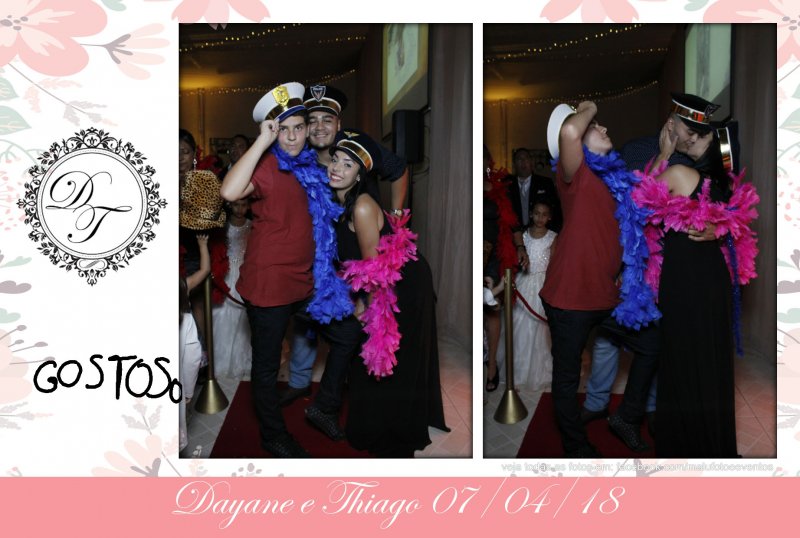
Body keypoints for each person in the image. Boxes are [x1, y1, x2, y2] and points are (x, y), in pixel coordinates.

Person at [220, 82, 362, 457]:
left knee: (348, 334)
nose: (294, 136)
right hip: (269, 286)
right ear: (273, 131)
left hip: (305, 283)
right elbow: (229, 192)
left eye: (299, 127)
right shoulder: (266, 166)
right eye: (284, 129)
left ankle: (324, 406)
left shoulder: (309, 167)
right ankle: (273, 436)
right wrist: (261, 142)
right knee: (267, 368)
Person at [582, 93, 722, 433]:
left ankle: (654, 408)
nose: (691, 138)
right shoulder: (636, 150)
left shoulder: (701, 160)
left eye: (697, 133)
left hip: (675, 268)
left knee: (662, 343)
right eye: (689, 130)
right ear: (671, 124)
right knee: (612, 338)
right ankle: (598, 403)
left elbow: (724, 209)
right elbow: (627, 208)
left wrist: (717, 230)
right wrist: (661, 156)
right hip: (633, 262)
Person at [279, 84, 412, 407]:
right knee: (309, 316)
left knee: (364, 321)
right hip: (321, 255)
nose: (319, 127)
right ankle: (299, 381)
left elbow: (399, 170)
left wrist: (396, 219)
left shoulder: (356, 146)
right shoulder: (300, 155)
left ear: (339, 124)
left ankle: (358, 388)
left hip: (362, 252)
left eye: (327, 119)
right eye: (312, 120)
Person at [540, 101, 660, 457]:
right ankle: (576, 448)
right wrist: (588, 107)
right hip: (569, 297)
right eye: (596, 125)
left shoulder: (615, 181)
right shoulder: (572, 174)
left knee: (653, 344)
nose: (604, 128)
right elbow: (569, 130)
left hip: (606, 295)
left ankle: (627, 415)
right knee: (567, 378)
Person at [633, 121, 758, 457]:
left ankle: (686, 447)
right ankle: (714, 445)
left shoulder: (678, 174)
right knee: (710, 358)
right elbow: (737, 224)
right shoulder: (725, 183)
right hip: (713, 280)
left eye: (674, 126)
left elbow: (634, 206)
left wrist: (663, 153)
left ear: (697, 138)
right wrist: (721, 230)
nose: (671, 130)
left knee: (682, 359)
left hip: (685, 281)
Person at [328, 129, 448, 457]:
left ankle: (390, 427)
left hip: (400, 286)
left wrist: (366, 313)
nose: (337, 167)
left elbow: (373, 271)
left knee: (386, 356)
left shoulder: (362, 207)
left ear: (360, 176)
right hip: (384, 280)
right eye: (335, 159)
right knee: (368, 359)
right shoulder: (339, 200)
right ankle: (374, 420)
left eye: (348, 164)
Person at [496, 197, 557, 391]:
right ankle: (516, 372)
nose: (540, 218)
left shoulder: (553, 237)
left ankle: (539, 371)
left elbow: (555, 263)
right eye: (537, 213)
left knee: (540, 329)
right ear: (531, 214)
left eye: (544, 215)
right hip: (522, 283)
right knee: (517, 325)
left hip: (543, 284)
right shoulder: (522, 236)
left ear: (549, 217)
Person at [483, 145, 529, 393]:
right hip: (471, 252)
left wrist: (520, 247)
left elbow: (513, 224)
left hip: (494, 256)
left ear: (488, 161)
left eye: (483, 159)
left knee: (492, 309)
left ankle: (491, 366)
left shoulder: (500, 188)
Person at [211, 198, 252, 379]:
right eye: (236, 205)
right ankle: (220, 362)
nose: (240, 209)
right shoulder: (224, 225)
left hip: (244, 272)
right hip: (227, 272)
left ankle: (240, 362)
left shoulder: (251, 225)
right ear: (230, 205)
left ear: (248, 206)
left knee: (242, 318)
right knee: (222, 315)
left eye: (244, 205)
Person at [505, 147, 562, 232]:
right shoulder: (507, 185)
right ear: (514, 164)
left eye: (526, 158)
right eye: (519, 159)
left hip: (541, 233)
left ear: (531, 162)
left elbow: (555, 210)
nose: (523, 162)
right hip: (514, 233)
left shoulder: (545, 183)